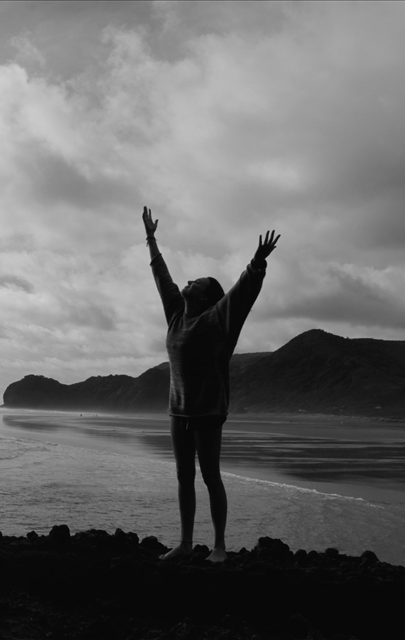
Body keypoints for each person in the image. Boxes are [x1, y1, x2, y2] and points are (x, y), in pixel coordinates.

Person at [142, 206, 279, 563]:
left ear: (205, 296)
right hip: (178, 409)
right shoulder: (175, 313)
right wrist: (152, 238)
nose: (188, 283)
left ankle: (219, 546)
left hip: (207, 410)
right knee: (183, 476)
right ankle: (186, 543)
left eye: (196, 283)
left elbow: (242, 294)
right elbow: (162, 277)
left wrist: (257, 263)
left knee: (209, 476)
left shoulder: (218, 320)